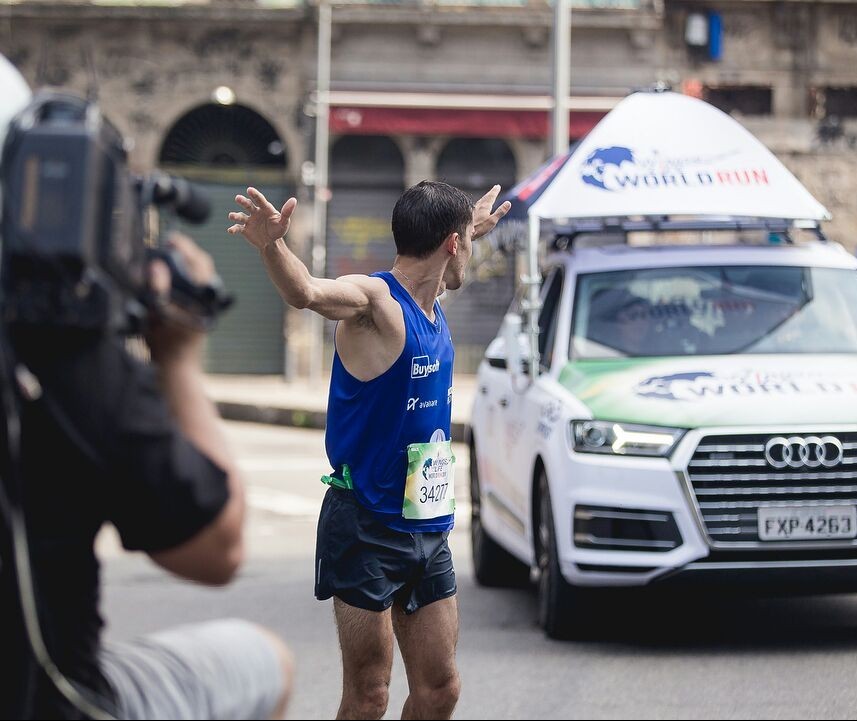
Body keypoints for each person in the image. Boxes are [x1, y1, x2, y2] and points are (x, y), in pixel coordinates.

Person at [0, 54, 292, 720]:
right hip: (54, 700)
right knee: (264, 658)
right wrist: (179, 356)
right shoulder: (62, 354)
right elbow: (217, 546)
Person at [228, 180, 510, 720]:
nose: (470, 251)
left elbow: (447, 253)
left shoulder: (432, 303)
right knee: (369, 694)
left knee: (440, 688)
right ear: (452, 245)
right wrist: (272, 245)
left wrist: (470, 222)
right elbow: (307, 291)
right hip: (365, 527)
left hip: (427, 526)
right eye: (467, 242)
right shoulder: (377, 303)